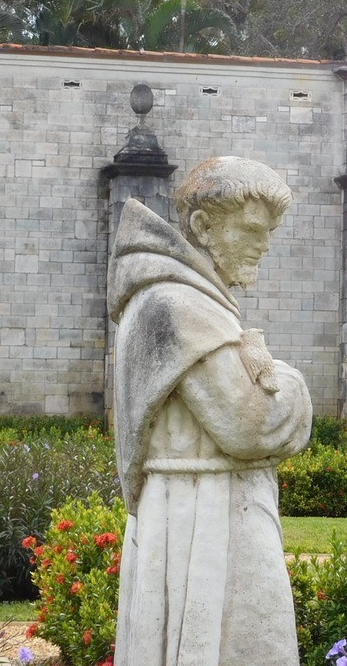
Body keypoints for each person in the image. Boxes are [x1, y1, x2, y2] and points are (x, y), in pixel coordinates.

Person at [108, 157, 312, 666]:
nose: (264, 243)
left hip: (204, 503)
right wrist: (291, 383)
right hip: (201, 513)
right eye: (251, 230)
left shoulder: (185, 300)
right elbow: (253, 425)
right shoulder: (178, 306)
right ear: (202, 227)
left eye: (270, 232)